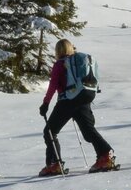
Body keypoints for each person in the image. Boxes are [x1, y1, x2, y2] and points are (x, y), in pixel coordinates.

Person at [38, 39, 117, 176]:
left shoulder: (59, 65)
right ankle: (105, 155)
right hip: (83, 98)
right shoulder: (77, 63)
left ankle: (54, 164)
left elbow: (53, 86)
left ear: (58, 51)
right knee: (88, 131)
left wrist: (45, 103)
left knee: (50, 132)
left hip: (67, 101)